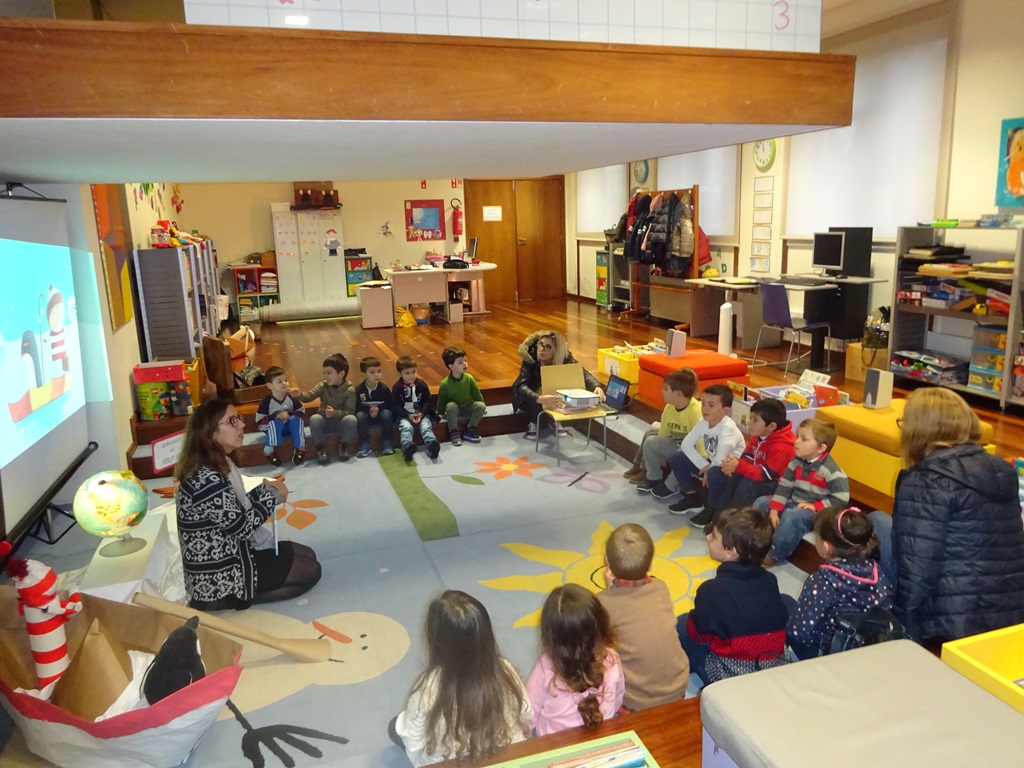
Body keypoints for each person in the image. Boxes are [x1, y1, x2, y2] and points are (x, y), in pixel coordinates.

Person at [891, 387, 1024, 644]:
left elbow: (917, 571)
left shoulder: (926, 481)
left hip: (952, 623)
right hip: (1011, 612)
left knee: (879, 524)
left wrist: (901, 628)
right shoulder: (1000, 470)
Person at [175, 398, 321, 611]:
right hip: (221, 574)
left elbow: (236, 506)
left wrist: (265, 489)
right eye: (232, 421)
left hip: (236, 551)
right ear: (211, 433)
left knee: (308, 554)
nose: (242, 424)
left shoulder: (218, 462)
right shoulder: (205, 478)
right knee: (311, 570)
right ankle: (233, 597)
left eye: (239, 418)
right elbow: (242, 527)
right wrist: (271, 496)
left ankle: (247, 590)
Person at [391, 591, 532, 767]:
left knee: (395, 726)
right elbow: (527, 712)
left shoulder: (428, 685)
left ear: (435, 638)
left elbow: (413, 741)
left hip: (448, 762)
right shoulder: (503, 669)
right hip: (508, 758)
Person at [676, 506, 788, 686]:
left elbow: (698, 637)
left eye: (714, 536)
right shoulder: (770, 580)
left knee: (682, 624)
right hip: (773, 665)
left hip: (732, 676)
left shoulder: (711, 591)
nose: (708, 537)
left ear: (731, 551)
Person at [596, 524, 690, 710]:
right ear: (651, 563)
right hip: (678, 689)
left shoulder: (601, 602)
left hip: (636, 702)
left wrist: (610, 590)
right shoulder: (660, 587)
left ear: (606, 560)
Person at [786, 505, 893, 660]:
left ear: (826, 547)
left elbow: (799, 633)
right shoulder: (877, 572)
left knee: (785, 602)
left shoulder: (821, 581)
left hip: (827, 655)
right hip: (865, 648)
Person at [525, 583, 624, 735]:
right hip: (602, 739)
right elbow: (617, 701)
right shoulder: (611, 658)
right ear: (601, 624)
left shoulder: (546, 666)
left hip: (555, 746)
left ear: (550, 634)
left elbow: (527, 714)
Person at [754, 418, 849, 567]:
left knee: (793, 516)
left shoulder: (832, 472)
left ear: (821, 448)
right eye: (797, 436)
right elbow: (784, 487)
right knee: (761, 502)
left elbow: (841, 500)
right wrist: (774, 509)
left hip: (817, 514)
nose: (796, 441)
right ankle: (755, 542)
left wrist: (815, 506)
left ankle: (775, 554)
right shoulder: (796, 462)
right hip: (794, 502)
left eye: (803, 439)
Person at [656, 384, 745, 522]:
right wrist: (704, 465)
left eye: (711, 405)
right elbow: (686, 444)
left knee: (714, 473)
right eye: (703, 403)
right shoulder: (702, 422)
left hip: (731, 471)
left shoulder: (728, 429)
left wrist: (709, 470)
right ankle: (691, 497)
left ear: (726, 410)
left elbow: (721, 457)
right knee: (678, 457)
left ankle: (712, 509)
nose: (705, 408)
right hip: (712, 464)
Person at [511, 330, 603, 439]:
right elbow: (521, 387)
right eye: (541, 344)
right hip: (528, 396)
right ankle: (533, 422)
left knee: (563, 387)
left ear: (556, 350)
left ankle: (555, 419)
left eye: (548, 347)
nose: (542, 349)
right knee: (541, 390)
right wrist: (539, 398)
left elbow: (582, 372)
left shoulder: (565, 357)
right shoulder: (530, 357)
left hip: (552, 393)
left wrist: (596, 386)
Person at [628, 367, 700, 488]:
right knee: (650, 434)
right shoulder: (669, 407)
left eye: (666, 389)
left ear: (679, 394)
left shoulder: (696, 412)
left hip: (688, 451)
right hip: (676, 442)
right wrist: (661, 455)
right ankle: (643, 469)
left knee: (651, 441)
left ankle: (654, 477)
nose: (662, 391)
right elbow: (664, 434)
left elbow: (699, 444)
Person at [718, 398, 795, 508]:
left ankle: (740, 517)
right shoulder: (758, 435)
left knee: (747, 485)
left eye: (755, 420)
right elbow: (747, 457)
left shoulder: (783, 447)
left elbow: (766, 475)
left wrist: (739, 466)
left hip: (778, 484)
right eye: (750, 417)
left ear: (771, 426)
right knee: (733, 475)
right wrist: (733, 464)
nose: (749, 423)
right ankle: (720, 514)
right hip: (761, 475)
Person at [289, 353, 357, 465]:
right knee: (315, 419)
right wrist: (300, 394)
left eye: (329, 373)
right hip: (325, 422)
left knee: (351, 419)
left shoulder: (350, 390)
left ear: (341, 374)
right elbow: (309, 396)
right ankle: (320, 450)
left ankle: (343, 447)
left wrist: (334, 413)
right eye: (324, 373)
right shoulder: (323, 385)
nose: (325, 376)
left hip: (340, 423)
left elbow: (349, 412)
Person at [392, 355, 440, 462]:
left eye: (414, 372)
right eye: (407, 373)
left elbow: (427, 401)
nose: (412, 375)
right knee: (406, 427)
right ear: (400, 373)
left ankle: (432, 445)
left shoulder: (421, 385)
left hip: (420, 414)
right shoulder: (397, 388)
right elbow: (396, 406)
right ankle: (407, 446)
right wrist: (408, 415)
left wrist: (421, 414)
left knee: (426, 426)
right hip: (405, 415)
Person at [256, 366, 306, 466]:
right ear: (270, 386)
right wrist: (275, 416)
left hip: (287, 427)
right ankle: (269, 450)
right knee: (276, 422)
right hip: (272, 429)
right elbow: (259, 421)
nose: (284, 383)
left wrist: (289, 414)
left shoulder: (291, 397)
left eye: (286, 380)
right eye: (280, 381)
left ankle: (300, 447)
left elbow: (301, 412)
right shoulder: (266, 402)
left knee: (296, 420)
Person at [437, 346, 486, 446]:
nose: (465, 364)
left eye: (465, 360)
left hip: (468, 406)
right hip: (456, 409)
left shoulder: (469, 378)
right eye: (460, 362)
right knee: (450, 406)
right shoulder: (445, 384)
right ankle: (454, 433)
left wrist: (482, 406)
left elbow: (476, 394)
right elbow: (441, 399)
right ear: (451, 367)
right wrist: (440, 412)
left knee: (481, 406)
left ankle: (470, 430)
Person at [355, 356, 395, 458]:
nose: (377, 375)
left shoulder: (384, 389)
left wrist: (379, 409)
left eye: (379, 371)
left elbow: (391, 405)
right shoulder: (359, 390)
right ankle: (365, 444)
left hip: (380, 417)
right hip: (367, 417)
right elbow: (356, 407)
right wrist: (368, 411)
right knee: (359, 415)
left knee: (386, 414)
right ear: (364, 374)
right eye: (372, 372)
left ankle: (387, 442)